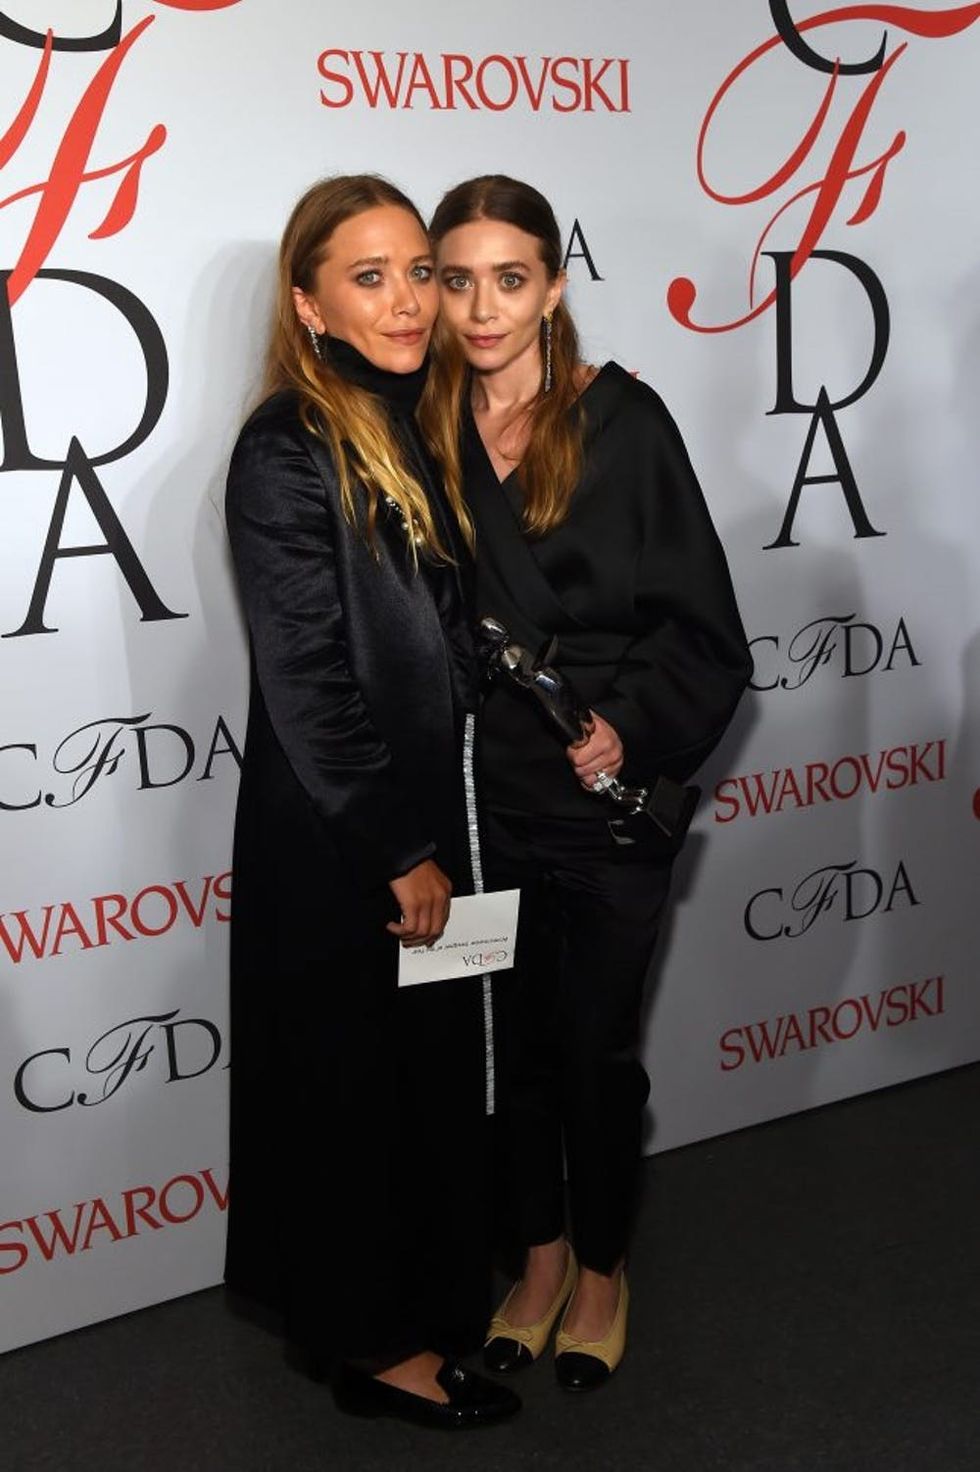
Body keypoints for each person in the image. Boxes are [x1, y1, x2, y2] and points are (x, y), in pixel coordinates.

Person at [420, 175, 752, 1392]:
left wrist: (626, 723)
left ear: (552, 286)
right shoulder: (422, 429)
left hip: (603, 801)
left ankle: (603, 1265)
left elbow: (707, 633)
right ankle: (540, 1257)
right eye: (454, 279)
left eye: (508, 278)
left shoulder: (624, 422)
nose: (480, 306)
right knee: (503, 1048)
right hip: (472, 804)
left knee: (596, 1047)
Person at [223, 174, 519, 1430]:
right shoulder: (285, 446)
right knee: (350, 1093)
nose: (407, 300)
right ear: (309, 303)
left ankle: (436, 1298)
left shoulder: (422, 420)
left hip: (441, 813)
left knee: (429, 1081)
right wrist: (393, 847)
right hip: (348, 838)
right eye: (369, 275)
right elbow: (304, 678)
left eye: (419, 271)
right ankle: (370, 1346)